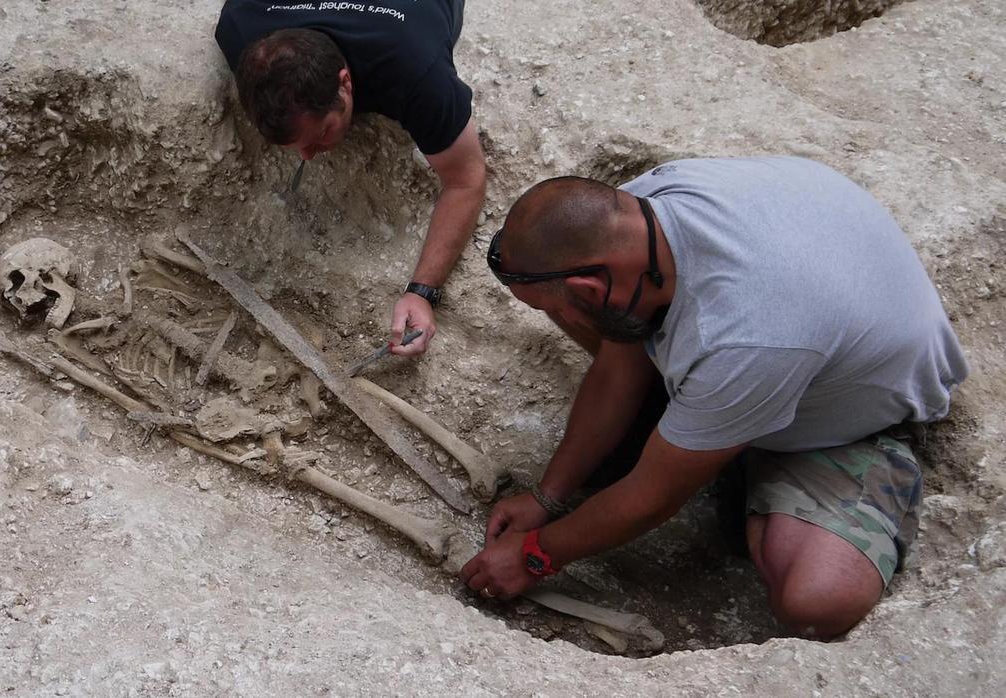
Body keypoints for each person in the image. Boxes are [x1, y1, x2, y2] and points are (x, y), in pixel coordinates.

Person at [460, 156, 969, 638]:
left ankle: (744, 448)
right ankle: (704, 430)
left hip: (856, 406)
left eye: (571, 307)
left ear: (592, 286)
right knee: (596, 313)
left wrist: (534, 554)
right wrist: (549, 497)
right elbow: (619, 355)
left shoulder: (748, 335)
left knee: (817, 600)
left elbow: (651, 499)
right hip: (807, 313)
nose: (565, 323)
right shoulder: (639, 210)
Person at [215, 0, 486, 357]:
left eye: (320, 135)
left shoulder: (414, 70)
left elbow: (466, 179)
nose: (307, 156)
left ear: (345, 83)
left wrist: (423, 292)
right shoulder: (239, 24)